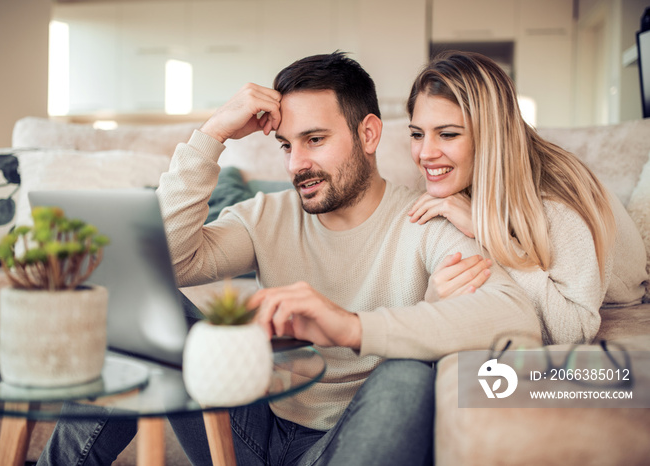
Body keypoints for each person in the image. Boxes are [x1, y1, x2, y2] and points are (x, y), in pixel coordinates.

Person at [38, 52, 538, 466]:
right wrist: (211, 135)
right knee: (139, 303)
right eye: (286, 145)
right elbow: (163, 264)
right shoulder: (267, 214)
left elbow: (515, 316)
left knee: (408, 373)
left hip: (342, 443)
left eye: (315, 140)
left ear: (368, 134)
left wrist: (351, 326)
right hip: (249, 430)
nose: (297, 164)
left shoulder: (427, 220)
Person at [406, 51, 647, 345]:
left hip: (623, 297)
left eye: (448, 134)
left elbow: (573, 329)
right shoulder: (462, 182)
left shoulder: (556, 199)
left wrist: (486, 232)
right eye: (417, 134)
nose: (425, 153)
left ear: (491, 135)